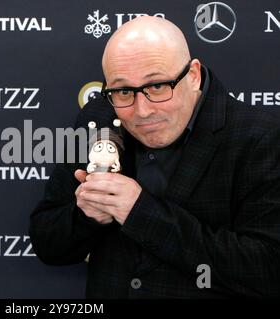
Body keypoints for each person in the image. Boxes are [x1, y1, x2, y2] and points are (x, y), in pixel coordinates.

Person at [29, 16, 280, 298]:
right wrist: (87, 217)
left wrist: (140, 212)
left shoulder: (261, 136)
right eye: (123, 91)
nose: (143, 110)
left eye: (158, 86)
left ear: (193, 75)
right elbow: (47, 243)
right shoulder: (97, 118)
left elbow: (268, 270)